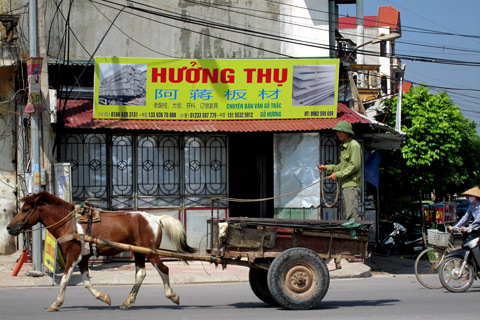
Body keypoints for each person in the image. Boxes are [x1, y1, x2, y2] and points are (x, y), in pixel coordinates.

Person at [318, 121, 362, 221]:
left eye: (340, 131)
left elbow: (354, 166)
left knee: (351, 217)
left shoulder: (354, 145)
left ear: (347, 132)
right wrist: (327, 168)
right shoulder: (344, 146)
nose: (338, 134)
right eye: (337, 132)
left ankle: (352, 235)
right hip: (345, 185)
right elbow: (342, 166)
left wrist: (337, 174)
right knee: (345, 215)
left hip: (351, 185)